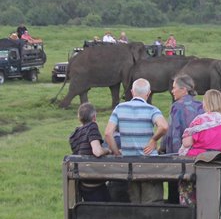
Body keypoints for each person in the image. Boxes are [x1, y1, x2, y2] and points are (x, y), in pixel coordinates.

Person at [103, 78, 169, 206]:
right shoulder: (152, 110)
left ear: (132, 92)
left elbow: (108, 133)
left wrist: (117, 152)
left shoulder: (119, 108)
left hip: (130, 167)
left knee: (135, 205)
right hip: (150, 165)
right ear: (148, 93)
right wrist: (154, 140)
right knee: (152, 204)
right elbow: (164, 126)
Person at [162, 75, 204, 203]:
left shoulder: (177, 106)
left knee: (175, 196)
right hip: (199, 157)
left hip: (180, 158)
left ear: (184, 89)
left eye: (174, 88)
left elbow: (172, 134)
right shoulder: (201, 105)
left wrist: (165, 150)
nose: (172, 91)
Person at [68, 102, 118, 202]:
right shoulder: (92, 127)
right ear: (94, 117)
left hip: (83, 183)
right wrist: (108, 150)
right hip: (94, 182)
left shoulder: (74, 135)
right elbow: (97, 152)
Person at [180, 90, 221, 158]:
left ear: (205, 103)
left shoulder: (200, 120)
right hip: (218, 159)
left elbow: (186, 143)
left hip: (198, 159)